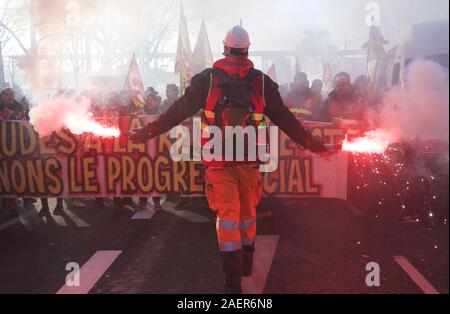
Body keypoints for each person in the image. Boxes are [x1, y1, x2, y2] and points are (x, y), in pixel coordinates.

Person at [129, 25, 327, 293]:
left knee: (228, 217)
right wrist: (316, 145)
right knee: (248, 214)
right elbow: (286, 120)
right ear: (247, 49)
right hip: (250, 161)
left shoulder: (206, 80)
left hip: (219, 162)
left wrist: (144, 134)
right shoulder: (262, 83)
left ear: (225, 48)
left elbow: (175, 113)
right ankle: (246, 261)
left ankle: (232, 279)